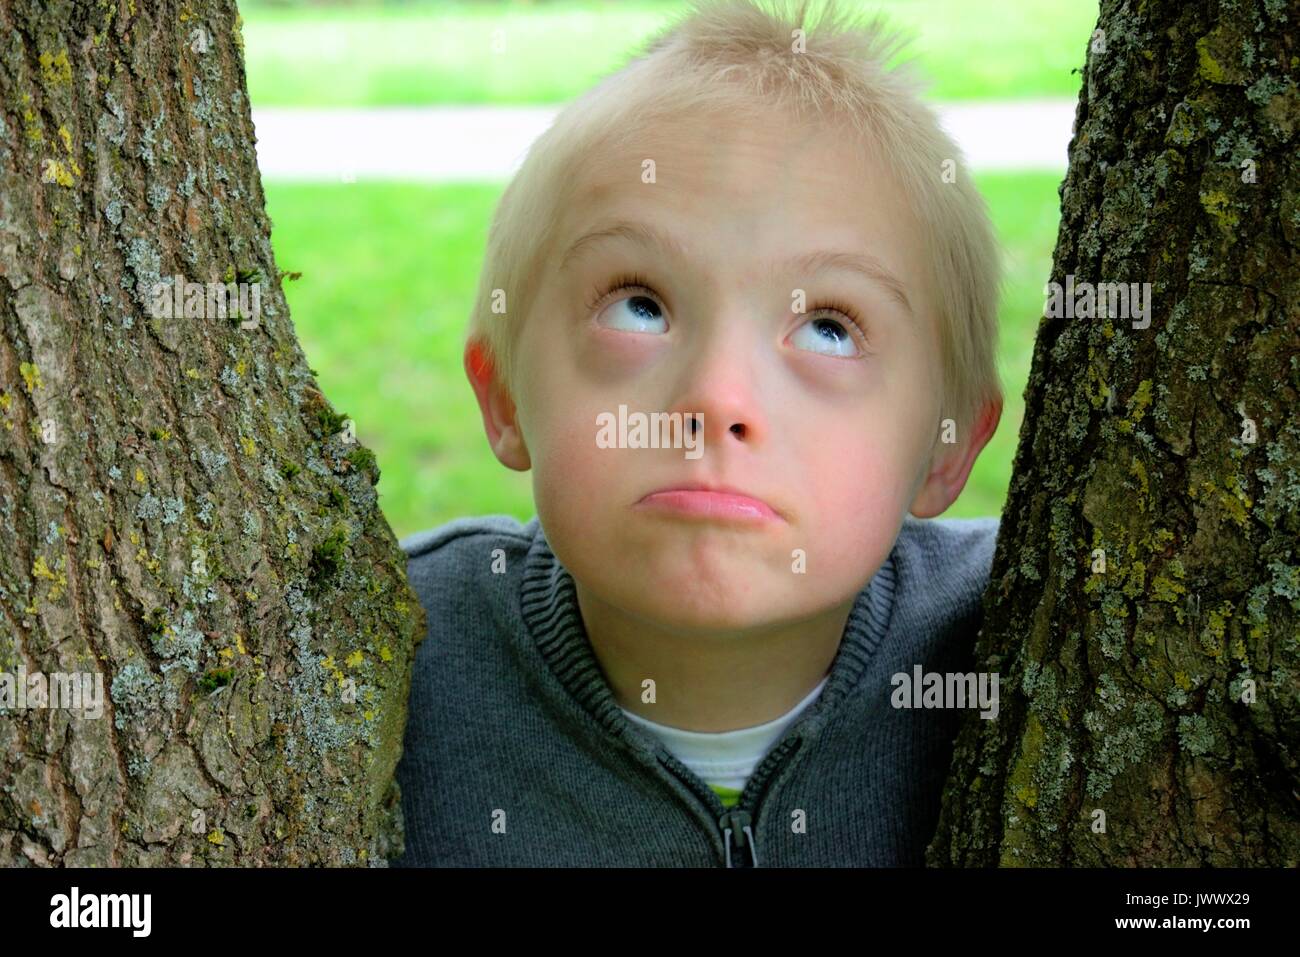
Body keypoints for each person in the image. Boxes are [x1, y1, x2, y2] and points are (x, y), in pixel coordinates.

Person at [393, 0, 1004, 867]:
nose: (717, 398)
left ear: (949, 445)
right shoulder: (395, 655)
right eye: (639, 307)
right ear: (503, 398)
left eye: (829, 326)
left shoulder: (1018, 637)